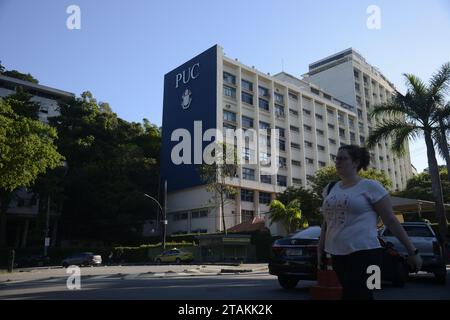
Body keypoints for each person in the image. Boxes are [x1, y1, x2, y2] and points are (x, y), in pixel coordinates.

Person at [317, 145, 422, 300]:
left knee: (354, 294)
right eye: (336, 158)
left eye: (343, 158)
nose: (337, 162)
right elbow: (327, 221)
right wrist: (320, 248)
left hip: (365, 252)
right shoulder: (330, 188)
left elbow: (391, 220)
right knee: (357, 294)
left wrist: (412, 252)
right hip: (337, 252)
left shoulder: (371, 187)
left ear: (356, 162)